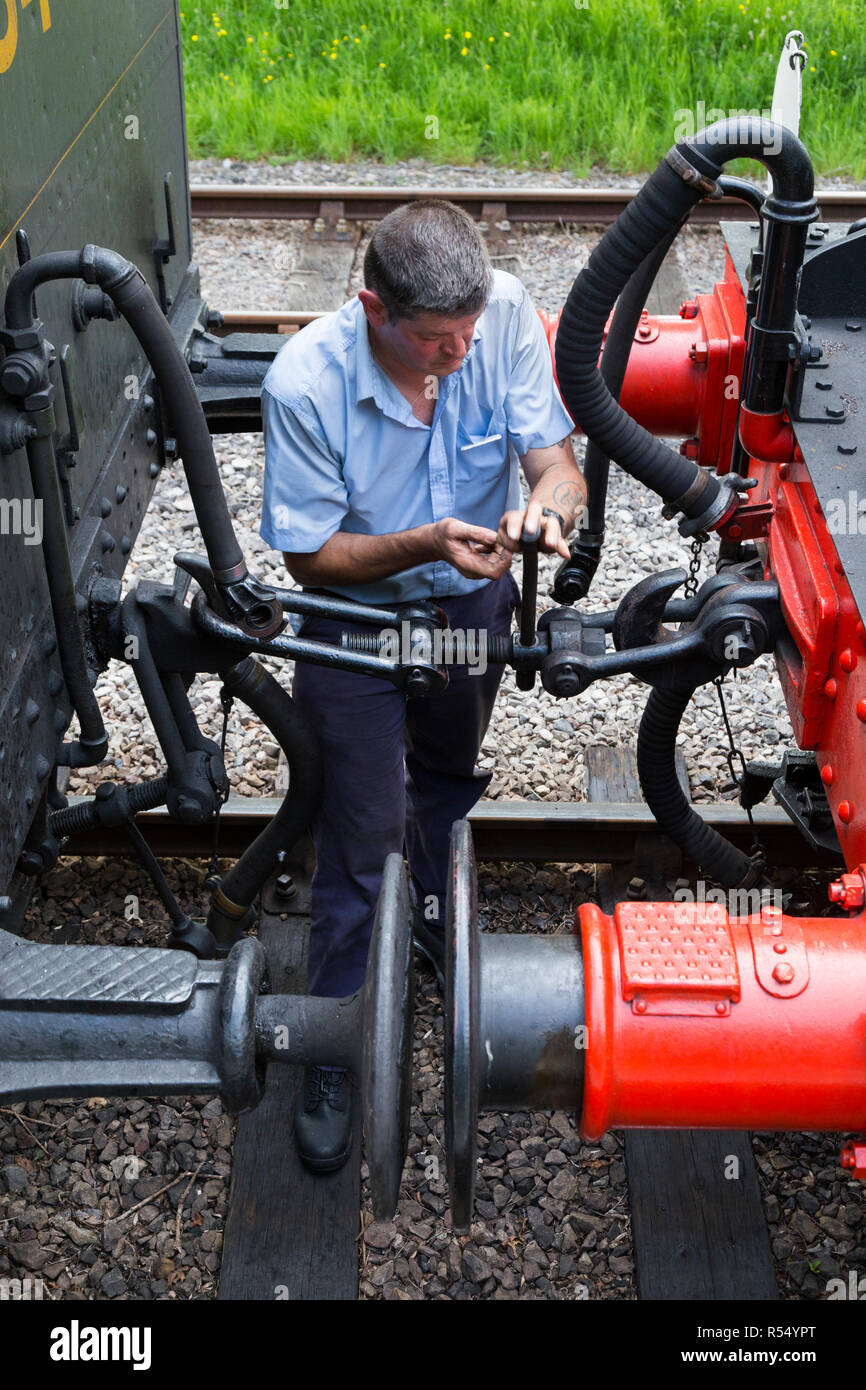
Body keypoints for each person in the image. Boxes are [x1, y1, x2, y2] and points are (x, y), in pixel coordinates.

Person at [259, 198, 585, 1172]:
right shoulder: (304, 383)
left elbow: (556, 463)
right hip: (356, 624)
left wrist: (542, 511)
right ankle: (331, 1042)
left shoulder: (500, 318)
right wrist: (420, 541)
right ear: (373, 309)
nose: (459, 351)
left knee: (444, 780)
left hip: (469, 613)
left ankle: (431, 922)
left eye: (468, 332)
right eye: (437, 340)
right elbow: (309, 556)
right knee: (358, 839)